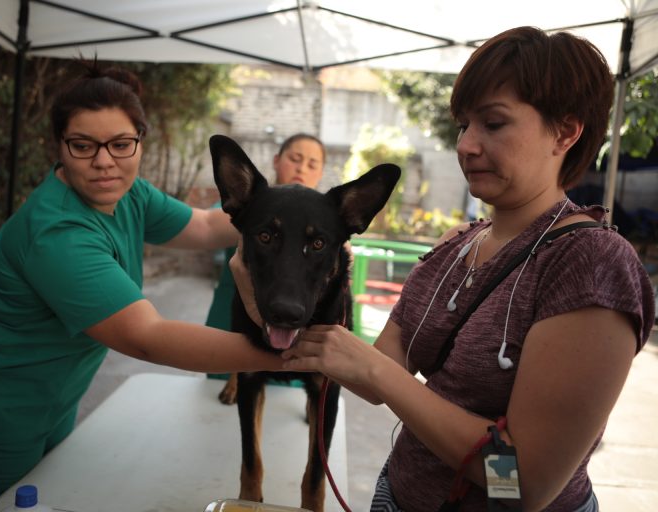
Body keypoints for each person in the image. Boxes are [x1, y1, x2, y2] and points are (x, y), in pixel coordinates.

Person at [276, 27, 655, 511]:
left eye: (493, 124)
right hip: (396, 495)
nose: (466, 145)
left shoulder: (592, 266)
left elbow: (522, 482)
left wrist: (374, 369)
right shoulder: (457, 244)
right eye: (463, 125)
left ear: (565, 131)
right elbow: (375, 375)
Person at [0, 64, 283, 512]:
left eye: (121, 144)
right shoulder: (57, 234)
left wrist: (281, 210)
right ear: (59, 147)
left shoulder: (130, 194)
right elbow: (146, 337)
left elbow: (207, 226)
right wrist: (287, 352)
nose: (104, 161)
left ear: (140, 141)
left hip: (53, 398)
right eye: (83, 145)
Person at [205, 133, 325, 400]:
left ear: (322, 172)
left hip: (290, 338)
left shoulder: (324, 226)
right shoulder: (244, 207)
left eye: (312, 164)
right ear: (276, 160)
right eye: (294, 159)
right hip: (231, 335)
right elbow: (213, 223)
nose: (301, 168)